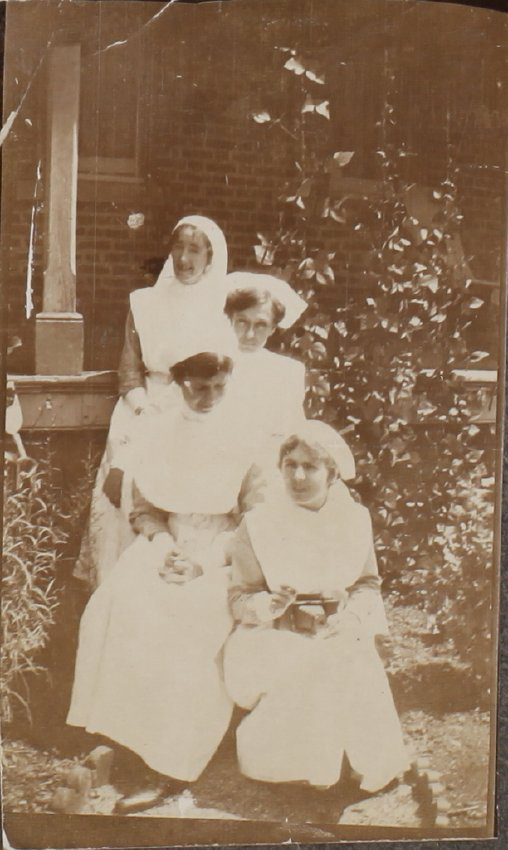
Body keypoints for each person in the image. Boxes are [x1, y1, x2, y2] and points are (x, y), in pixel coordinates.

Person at [67, 333, 263, 814]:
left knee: (188, 622)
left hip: (224, 554)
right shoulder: (161, 431)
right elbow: (144, 509)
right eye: (199, 387)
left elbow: (255, 520)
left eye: (219, 386)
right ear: (179, 384)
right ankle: (122, 739)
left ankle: (170, 763)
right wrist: (164, 546)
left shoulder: (247, 433)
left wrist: (205, 561)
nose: (209, 397)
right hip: (167, 545)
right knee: (118, 603)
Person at [224, 420, 410, 794]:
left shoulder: (354, 519)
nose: (297, 476)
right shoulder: (257, 524)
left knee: (349, 656)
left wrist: (353, 616)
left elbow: (367, 583)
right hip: (270, 634)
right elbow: (238, 599)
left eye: (310, 467)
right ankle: (295, 771)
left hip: (335, 628)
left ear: (332, 473)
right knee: (310, 664)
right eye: (290, 465)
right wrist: (269, 604)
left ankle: (353, 763)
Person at [74, 215, 232, 590]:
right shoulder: (145, 303)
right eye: (178, 247)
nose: (184, 258)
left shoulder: (220, 308)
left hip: (195, 411)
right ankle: (115, 589)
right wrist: (145, 411)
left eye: (194, 250)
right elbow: (129, 370)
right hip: (141, 408)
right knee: (125, 496)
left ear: (210, 257)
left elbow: (220, 376)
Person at [223, 271, 308, 463]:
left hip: (265, 464)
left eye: (261, 325)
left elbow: (291, 431)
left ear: (273, 329)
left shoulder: (287, 372)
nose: (250, 334)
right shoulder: (211, 363)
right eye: (242, 322)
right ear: (230, 320)